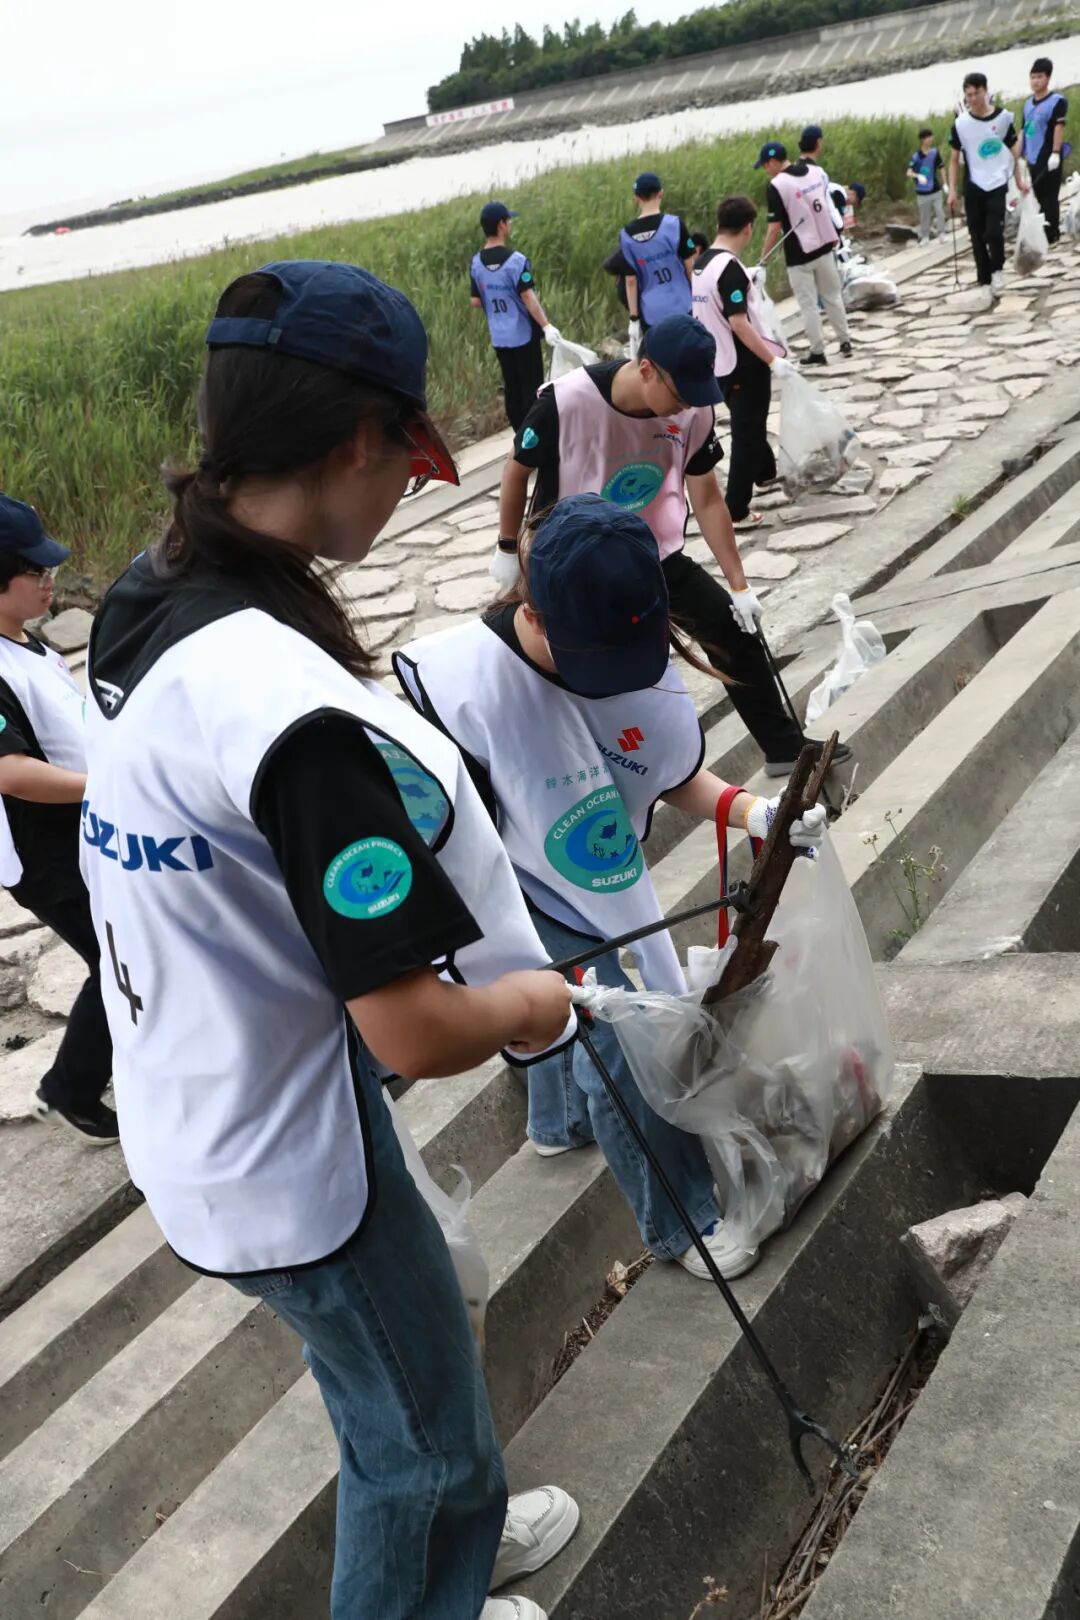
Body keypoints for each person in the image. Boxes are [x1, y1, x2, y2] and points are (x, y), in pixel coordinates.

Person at [80, 258, 581, 1620]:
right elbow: (412, 1029)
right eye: (408, 457)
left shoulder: (156, 591)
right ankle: (429, 1576)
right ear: (361, 439)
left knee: (387, 1383)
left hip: (200, 1091)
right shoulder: (298, 721)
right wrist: (532, 1006)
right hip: (281, 1152)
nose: (411, 484)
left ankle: (455, 1552)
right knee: (424, 1448)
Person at [396, 495, 827, 1280]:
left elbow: (666, 773)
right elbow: (442, 835)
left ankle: (556, 1122)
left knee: (591, 1013)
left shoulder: (634, 648)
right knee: (621, 1039)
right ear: (532, 613)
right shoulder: (463, 687)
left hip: (591, 862)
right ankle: (682, 1221)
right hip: (506, 884)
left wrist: (754, 811)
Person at [493, 312, 851, 779]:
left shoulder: (693, 411)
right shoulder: (566, 403)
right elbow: (516, 472)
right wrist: (507, 549)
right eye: (680, 395)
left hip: (648, 552)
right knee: (560, 665)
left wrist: (739, 586)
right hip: (569, 564)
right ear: (647, 370)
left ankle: (784, 747)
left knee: (732, 632)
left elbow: (707, 496)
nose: (686, 407)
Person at [0, 496, 117, 1146]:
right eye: (35, 571)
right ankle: (70, 1089)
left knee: (128, 953)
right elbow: (11, 772)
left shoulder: (26, 639)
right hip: (42, 854)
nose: (51, 579)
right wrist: (109, 786)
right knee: (119, 959)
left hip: (80, 829)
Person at [691, 195, 794, 529]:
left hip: (718, 361)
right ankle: (735, 508)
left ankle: (765, 472)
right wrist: (772, 360)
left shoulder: (703, 263)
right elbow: (738, 322)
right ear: (748, 228)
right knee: (746, 433)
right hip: (743, 363)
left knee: (750, 420)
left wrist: (745, 279)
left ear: (719, 224)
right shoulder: (730, 269)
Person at [756, 139, 852, 365]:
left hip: (799, 255)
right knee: (832, 297)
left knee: (808, 304)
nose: (765, 170)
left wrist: (763, 258)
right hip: (826, 245)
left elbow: (774, 228)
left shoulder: (777, 185)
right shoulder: (814, 172)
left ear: (772, 162)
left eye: (765, 165)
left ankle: (818, 351)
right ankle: (845, 341)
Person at [471, 199, 562, 432]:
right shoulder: (516, 261)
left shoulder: (476, 263)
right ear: (501, 225)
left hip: (499, 336)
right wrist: (546, 325)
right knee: (532, 388)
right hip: (522, 335)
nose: (509, 225)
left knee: (512, 388)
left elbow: (475, 301)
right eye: (508, 221)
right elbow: (528, 297)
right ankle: (536, 436)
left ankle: (519, 435)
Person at [948, 72, 1028, 298]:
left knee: (993, 231)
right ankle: (984, 280)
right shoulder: (961, 125)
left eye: (977, 93)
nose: (973, 99)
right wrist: (952, 190)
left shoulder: (1002, 118)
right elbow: (953, 159)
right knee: (977, 235)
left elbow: (1013, 152)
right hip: (973, 184)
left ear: (986, 91)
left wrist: (1019, 180)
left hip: (997, 182)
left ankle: (997, 270)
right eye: (968, 95)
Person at [618, 171, 697, 357]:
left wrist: (634, 318)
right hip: (683, 304)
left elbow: (630, 281)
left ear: (636, 198)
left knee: (663, 361)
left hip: (652, 312)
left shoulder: (626, 236)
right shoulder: (675, 225)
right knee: (691, 355)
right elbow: (690, 267)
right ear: (661, 193)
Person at [1023, 57, 1069, 244]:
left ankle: (1052, 232)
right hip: (1032, 156)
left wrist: (1056, 153)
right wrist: (1017, 154)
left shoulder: (1057, 101)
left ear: (1048, 78)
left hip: (1049, 154)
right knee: (1039, 194)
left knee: (1050, 195)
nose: (1035, 81)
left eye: (1039, 77)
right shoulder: (1027, 104)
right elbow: (1025, 130)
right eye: (1033, 77)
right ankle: (1044, 228)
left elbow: (1059, 127)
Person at [908, 130, 947, 243]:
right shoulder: (916, 156)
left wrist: (945, 183)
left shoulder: (935, 153)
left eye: (931, 136)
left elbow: (941, 168)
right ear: (922, 139)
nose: (931, 139)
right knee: (924, 215)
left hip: (935, 189)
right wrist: (918, 175)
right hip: (922, 192)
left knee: (940, 212)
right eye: (928, 137)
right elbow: (909, 172)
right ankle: (925, 237)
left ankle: (942, 234)